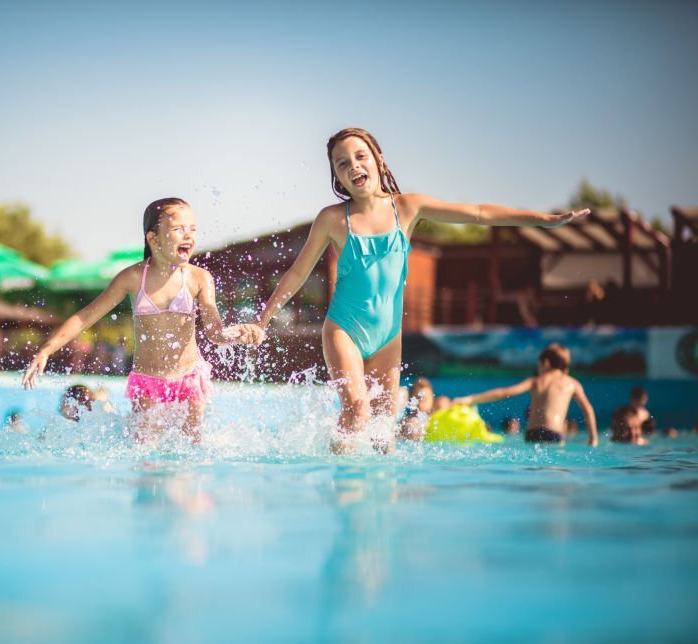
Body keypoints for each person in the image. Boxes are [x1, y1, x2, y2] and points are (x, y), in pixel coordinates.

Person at [247, 128, 589, 451]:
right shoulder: (333, 219)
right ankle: (343, 482)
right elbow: (297, 274)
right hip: (343, 330)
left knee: (384, 432)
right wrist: (263, 322)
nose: (354, 166)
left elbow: (479, 214)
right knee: (357, 410)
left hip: (388, 337)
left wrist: (542, 220)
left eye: (360, 156)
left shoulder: (406, 208)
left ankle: (386, 498)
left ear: (379, 159)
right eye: (343, 163)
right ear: (337, 177)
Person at [22, 197, 258, 442]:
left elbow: (214, 332)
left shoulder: (199, 278)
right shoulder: (133, 278)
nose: (188, 235)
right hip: (148, 382)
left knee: (191, 452)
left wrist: (234, 334)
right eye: (178, 229)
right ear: (153, 239)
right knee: (144, 453)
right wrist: (47, 349)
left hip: (189, 379)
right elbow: (86, 316)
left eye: (192, 229)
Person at [454, 343, 598, 446]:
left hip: (532, 434)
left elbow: (504, 392)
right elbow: (588, 409)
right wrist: (593, 438)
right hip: (553, 434)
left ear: (545, 363)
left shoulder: (536, 381)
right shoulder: (571, 383)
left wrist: (471, 399)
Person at [398, 376, 434, 441]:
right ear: (410, 400)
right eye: (417, 400)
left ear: (432, 399)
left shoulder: (438, 416)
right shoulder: (406, 422)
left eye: (424, 400)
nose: (420, 404)